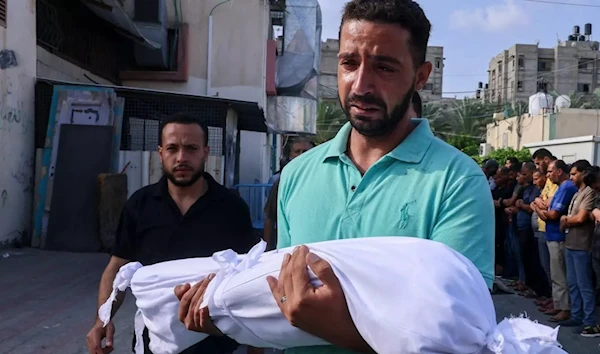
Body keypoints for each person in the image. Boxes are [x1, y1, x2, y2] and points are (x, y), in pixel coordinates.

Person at [176, 1, 494, 353]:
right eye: (349, 63)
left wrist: (337, 328)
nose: (361, 85)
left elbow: (461, 338)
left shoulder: (457, 182)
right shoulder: (297, 174)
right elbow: (281, 299)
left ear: (421, 76)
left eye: (384, 67)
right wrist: (227, 316)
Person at [85, 112, 261, 354]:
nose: (181, 157)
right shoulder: (140, 204)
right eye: (172, 148)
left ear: (205, 152)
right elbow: (117, 267)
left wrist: (257, 344)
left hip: (218, 342)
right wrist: (102, 320)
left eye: (191, 148)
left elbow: (250, 275)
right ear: (160, 153)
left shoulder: (231, 206)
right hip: (155, 342)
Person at [560, 160, 600, 336]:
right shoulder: (578, 192)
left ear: (583, 173)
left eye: (574, 174)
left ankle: (589, 320)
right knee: (573, 283)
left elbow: (581, 218)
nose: (571, 177)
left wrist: (565, 220)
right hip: (571, 242)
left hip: (582, 244)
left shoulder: (590, 193)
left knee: (584, 284)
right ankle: (577, 315)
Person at [538, 160, 577, 324]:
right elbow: (545, 203)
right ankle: (558, 303)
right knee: (555, 274)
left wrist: (537, 209)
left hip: (558, 238)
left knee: (560, 275)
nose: (547, 175)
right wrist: (542, 208)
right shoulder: (561, 187)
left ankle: (564, 308)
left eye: (550, 172)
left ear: (559, 171)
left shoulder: (567, 187)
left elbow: (552, 214)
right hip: (552, 235)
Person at [263, 138, 315, 250]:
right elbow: (270, 217)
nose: (301, 155)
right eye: (297, 151)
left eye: (305, 151)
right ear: (290, 155)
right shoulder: (282, 181)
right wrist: (266, 249)